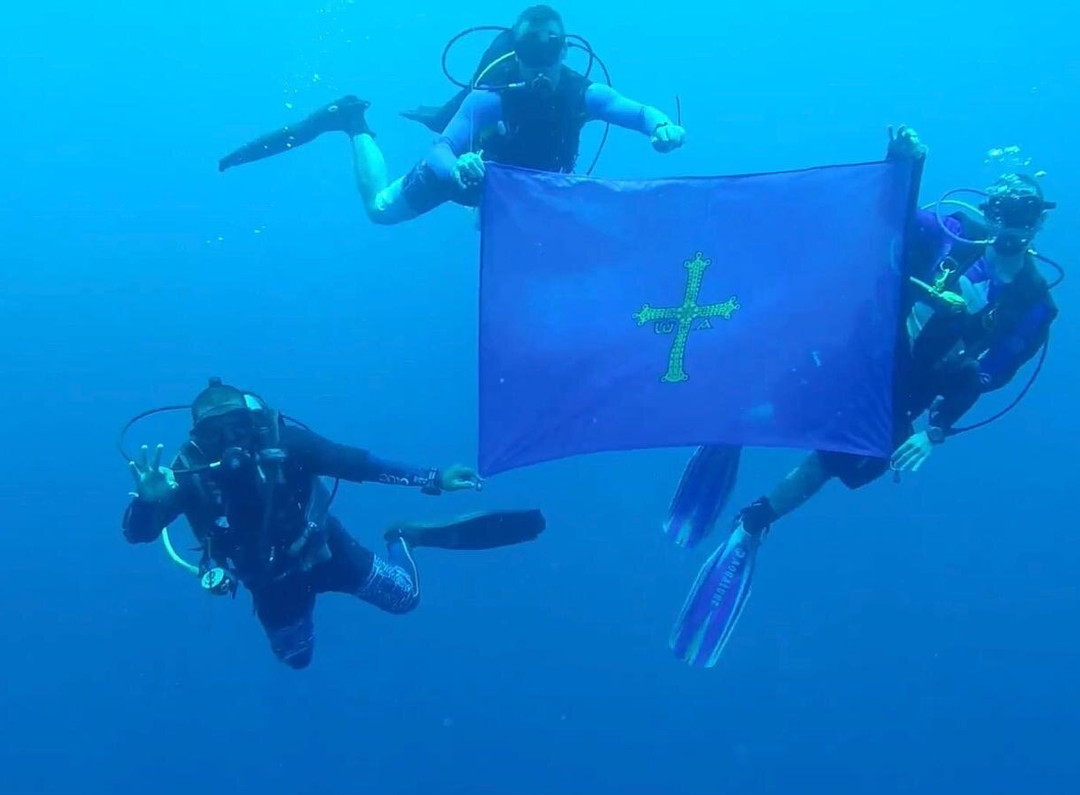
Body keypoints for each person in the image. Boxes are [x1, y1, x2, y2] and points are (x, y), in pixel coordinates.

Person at [669, 127, 1060, 667]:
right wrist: (901, 165)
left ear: (1040, 221)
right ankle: (734, 429)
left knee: (839, 459)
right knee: (798, 402)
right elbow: (889, 219)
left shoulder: (1033, 302)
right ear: (989, 209)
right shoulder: (952, 233)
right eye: (1002, 211)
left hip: (913, 386)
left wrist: (937, 429)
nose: (1010, 225)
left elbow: (993, 373)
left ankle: (752, 524)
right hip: (867, 345)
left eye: (1023, 216)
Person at [122, 378, 545, 670]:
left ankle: (404, 536)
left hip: (327, 552)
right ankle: (392, 544)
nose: (230, 442)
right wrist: (147, 501)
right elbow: (137, 533)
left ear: (254, 424)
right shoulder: (185, 474)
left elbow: (358, 464)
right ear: (198, 436)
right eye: (216, 433)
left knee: (406, 598)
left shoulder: (286, 445)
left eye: (238, 427)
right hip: (269, 583)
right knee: (296, 660)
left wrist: (433, 477)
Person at [218, 6, 687, 225]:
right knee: (380, 211)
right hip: (471, 179)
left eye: (551, 52)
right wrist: (458, 166)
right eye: (530, 51)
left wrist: (662, 127)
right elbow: (441, 146)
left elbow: (637, 110)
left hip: (526, 189)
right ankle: (352, 124)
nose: (541, 66)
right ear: (517, 53)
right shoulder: (491, 97)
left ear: (564, 50)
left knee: (498, 230)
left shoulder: (586, 94)